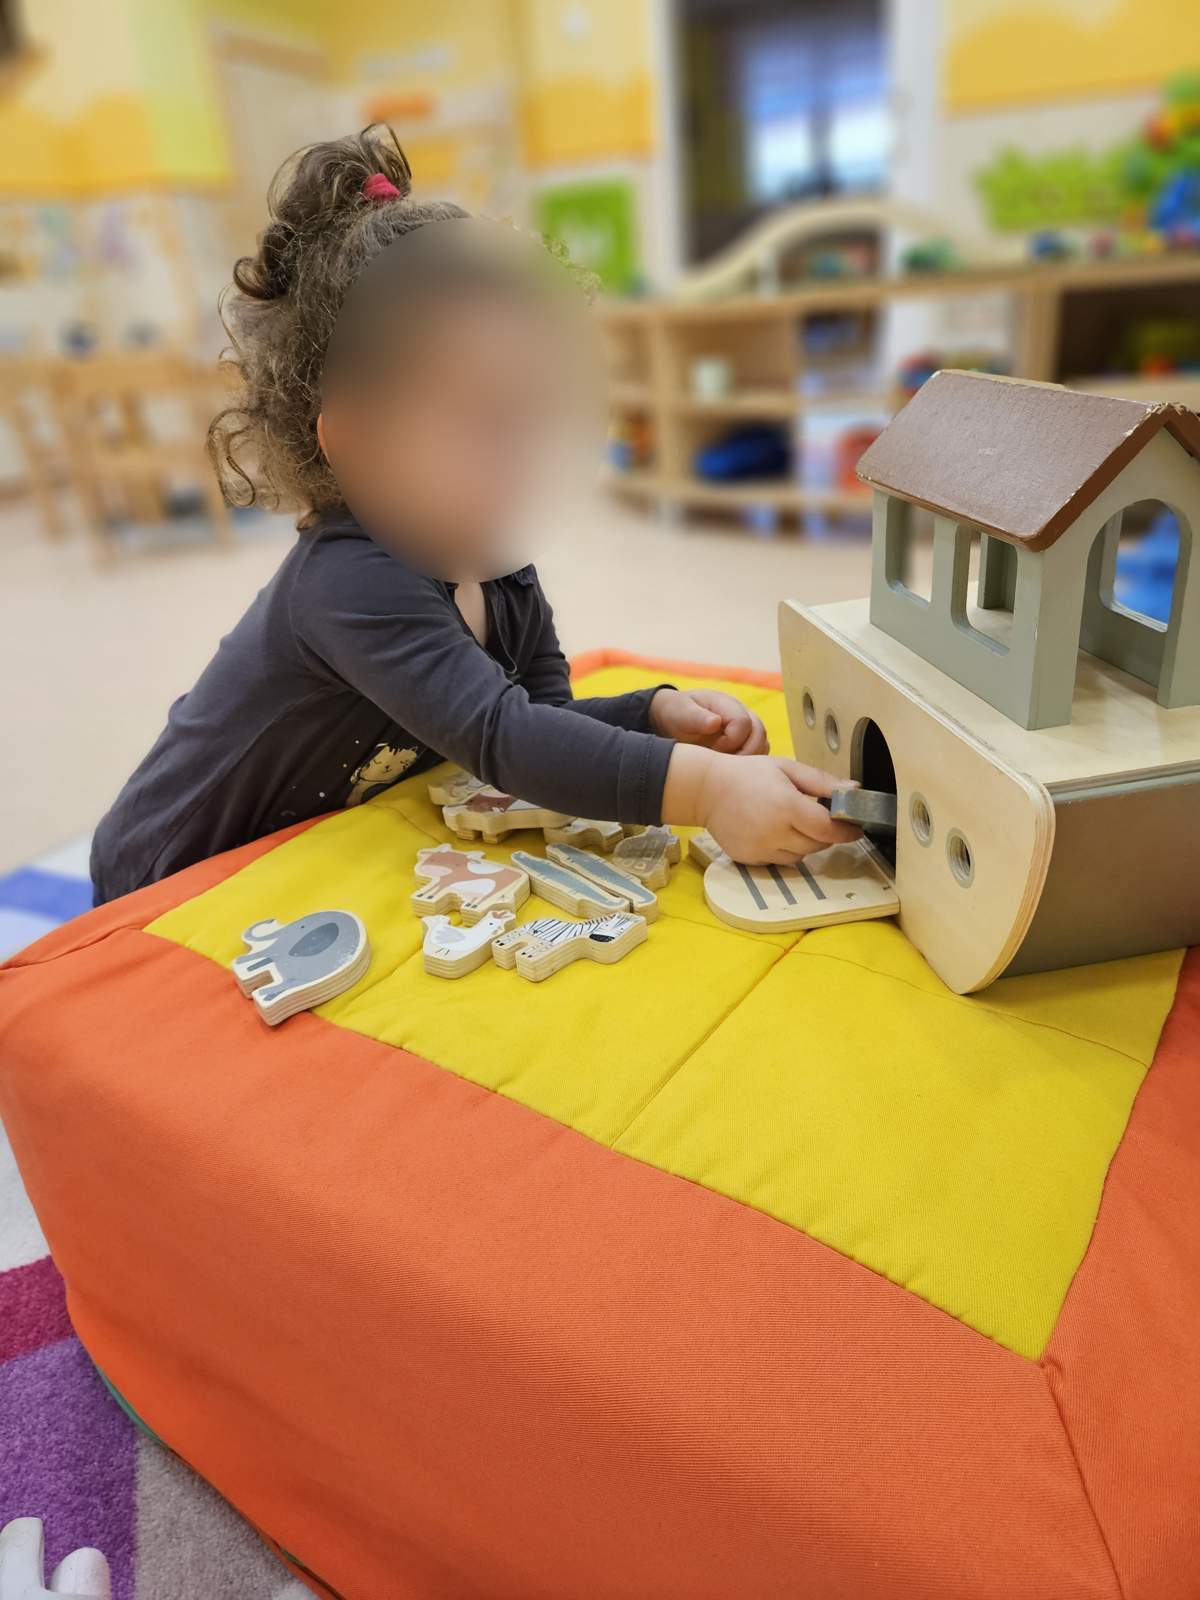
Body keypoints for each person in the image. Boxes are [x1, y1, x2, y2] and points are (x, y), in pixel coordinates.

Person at [90, 127, 857, 906]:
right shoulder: (349, 579)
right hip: (175, 871)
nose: (522, 452)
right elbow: (504, 739)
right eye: (484, 424)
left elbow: (539, 725)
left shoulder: (500, 565)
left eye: (535, 413)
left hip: (305, 856)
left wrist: (653, 716)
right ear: (359, 442)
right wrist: (708, 791)